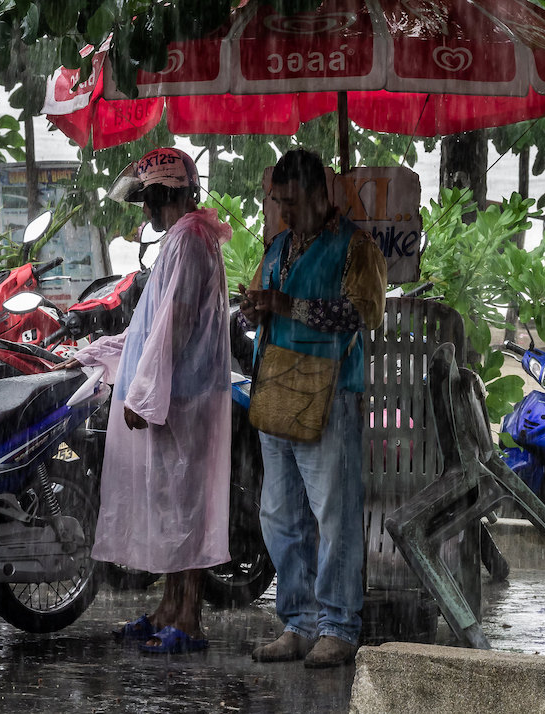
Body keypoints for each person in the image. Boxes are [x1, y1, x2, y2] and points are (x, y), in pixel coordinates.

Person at [55, 147, 232, 654]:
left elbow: (171, 326)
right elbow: (144, 330)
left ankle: (190, 618)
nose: (145, 210)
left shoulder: (189, 242)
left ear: (162, 195)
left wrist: (144, 394)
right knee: (171, 503)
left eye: (148, 198)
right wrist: (94, 353)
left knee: (187, 505)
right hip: (178, 396)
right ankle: (169, 609)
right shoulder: (185, 239)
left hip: (185, 397)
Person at [240, 149, 386, 668]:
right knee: (280, 515)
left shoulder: (356, 248)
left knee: (334, 514)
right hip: (277, 390)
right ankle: (298, 623)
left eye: (292, 202)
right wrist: (253, 307)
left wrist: (285, 305)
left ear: (320, 196)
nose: (282, 213)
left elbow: (362, 312)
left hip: (331, 394)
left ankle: (339, 627)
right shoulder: (277, 245)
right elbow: (260, 310)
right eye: (278, 202)